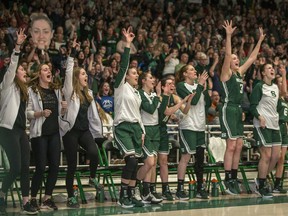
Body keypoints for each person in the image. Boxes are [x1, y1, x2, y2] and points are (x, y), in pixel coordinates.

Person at [220, 20, 265, 195]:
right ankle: (226, 179)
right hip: (228, 108)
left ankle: (233, 175)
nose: (237, 59)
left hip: (237, 109)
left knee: (238, 145)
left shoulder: (239, 73)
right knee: (231, 145)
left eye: (238, 58)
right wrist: (229, 36)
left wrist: (260, 40)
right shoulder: (226, 73)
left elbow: (252, 58)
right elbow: (227, 54)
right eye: (234, 58)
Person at [60, 38, 103, 208]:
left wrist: (98, 132)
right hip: (71, 131)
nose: (87, 76)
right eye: (84, 74)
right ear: (77, 77)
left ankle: (92, 178)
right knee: (72, 164)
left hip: (84, 130)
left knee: (94, 153)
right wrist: (71, 54)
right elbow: (68, 72)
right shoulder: (70, 91)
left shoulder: (89, 93)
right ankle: (71, 196)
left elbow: (93, 117)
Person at [0, 28, 38, 215]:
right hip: (7, 129)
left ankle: (26, 201)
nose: (23, 71)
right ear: (14, 73)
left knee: (25, 167)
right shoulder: (6, 85)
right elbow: (13, 65)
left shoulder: (26, 91)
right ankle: (2, 191)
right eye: (21, 69)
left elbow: (28, 112)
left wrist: (38, 114)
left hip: (21, 131)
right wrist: (17, 46)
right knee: (15, 167)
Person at [27, 62, 67, 211]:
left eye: (49, 69)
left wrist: (63, 109)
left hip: (54, 133)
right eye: (45, 69)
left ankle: (47, 198)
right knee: (40, 167)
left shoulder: (55, 90)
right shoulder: (32, 90)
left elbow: (59, 114)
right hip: (40, 134)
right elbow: (28, 113)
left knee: (55, 166)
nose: (48, 71)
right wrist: (41, 113)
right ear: (39, 74)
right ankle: (32, 199)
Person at [113, 27, 145, 208]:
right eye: (133, 73)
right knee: (131, 160)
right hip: (122, 127)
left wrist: (142, 131)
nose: (136, 74)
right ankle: (122, 195)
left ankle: (131, 194)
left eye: (136, 73)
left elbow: (138, 115)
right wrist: (127, 44)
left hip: (135, 128)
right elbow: (124, 65)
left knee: (136, 162)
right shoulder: (120, 86)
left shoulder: (137, 93)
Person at [175, 66, 210, 200]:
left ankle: (200, 187)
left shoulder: (198, 86)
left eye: (195, 69)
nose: (195, 71)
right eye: (191, 70)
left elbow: (206, 104)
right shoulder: (181, 86)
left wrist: (204, 88)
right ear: (185, 74)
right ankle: (180, 188)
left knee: (200, 159)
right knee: (186, 157)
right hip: (188, 125)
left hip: (200, 125)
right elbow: (193, 102)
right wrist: (200, 86)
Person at [157, 76, 192, 200]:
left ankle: (165, 189)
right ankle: (148, 189)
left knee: (163, 161)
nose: (172, 85)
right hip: (153, 130)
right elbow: (167, 111)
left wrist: (188, 102)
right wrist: (181, 103)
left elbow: (185, 112)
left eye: (173, 84)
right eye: (169, 83)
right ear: (162, 87)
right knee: (151, 162)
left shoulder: (175, 97)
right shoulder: (159, 97)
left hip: (163, 130)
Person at [250, 63, 281, 198]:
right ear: (263, 73)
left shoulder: (275, 87)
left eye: (272, 68)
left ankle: (259, 180)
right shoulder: (259, 86)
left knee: (276, 157)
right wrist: (259, 117)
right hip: (263, 125)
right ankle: (261, 185)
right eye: (269, 68)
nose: (272, 70)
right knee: (266, 156)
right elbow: (252, 106)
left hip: (275, 124)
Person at [273, 65, 288, 193]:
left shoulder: (285, 100)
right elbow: (283, 91)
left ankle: (278, 184)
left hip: (284, 128)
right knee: (276, 157)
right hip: (276, 126)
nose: (283, 84)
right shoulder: (276, 97)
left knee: (282, 158)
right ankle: (263, 179)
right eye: (281, 83)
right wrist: (283, 74)